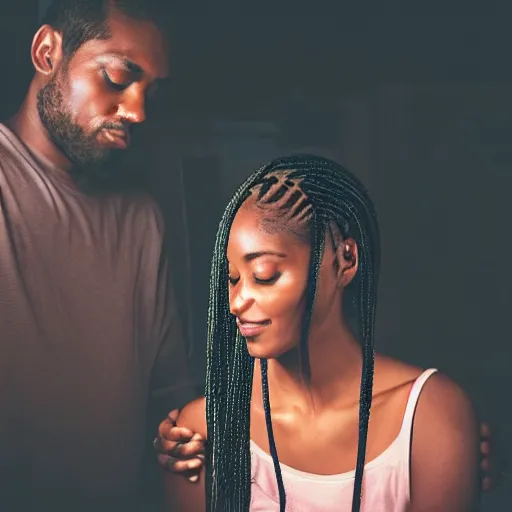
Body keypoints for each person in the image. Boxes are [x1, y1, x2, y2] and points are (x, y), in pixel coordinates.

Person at [160, 155, 481, 511]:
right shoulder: (202, 431)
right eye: (232, 279)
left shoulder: (429, 415)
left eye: (264, 276)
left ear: (344, 260)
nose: (236, 302)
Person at [0, 1, 200, 510]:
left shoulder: (141, 219)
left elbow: (172, 402)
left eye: (150, 90)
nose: (137, 111)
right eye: (116, 76)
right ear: (48, 52)